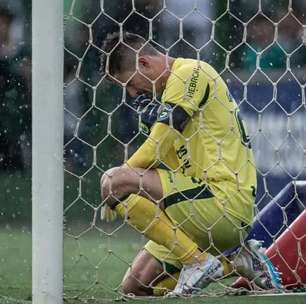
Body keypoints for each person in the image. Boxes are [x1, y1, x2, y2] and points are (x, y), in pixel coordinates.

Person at [99, 32, 282, 296]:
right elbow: (159, 167)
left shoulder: (191, 72)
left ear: (145, 63)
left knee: (115, 181)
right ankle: (234, 263)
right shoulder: (157, 103)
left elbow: (155, 149)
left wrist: (115, 182)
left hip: (223, 203)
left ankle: (197, 261)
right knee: (136, 285)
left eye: (130, 83)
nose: (131, 93)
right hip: (191, 207)